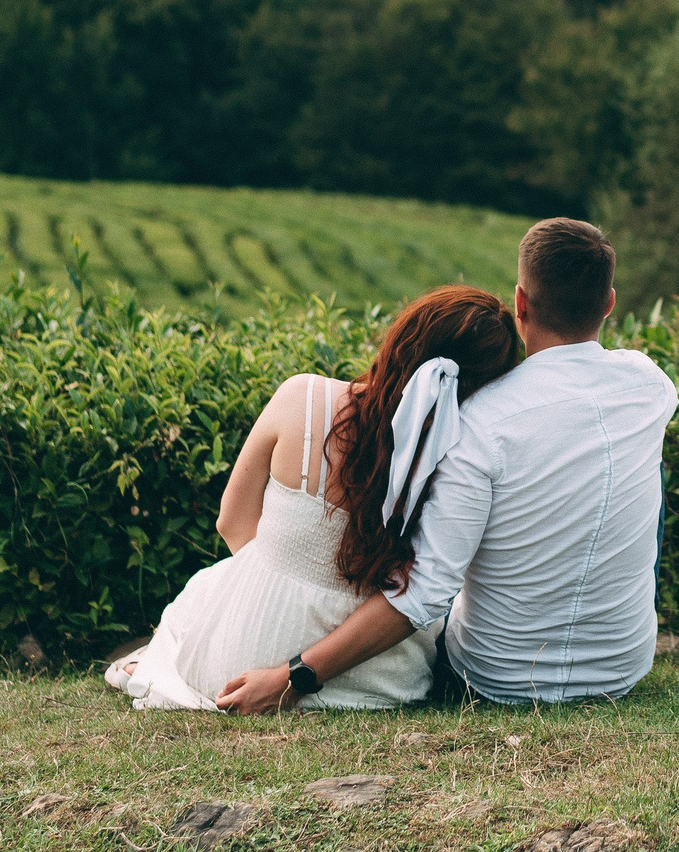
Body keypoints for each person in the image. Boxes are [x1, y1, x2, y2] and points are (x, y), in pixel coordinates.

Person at [202, 217, 677, 712]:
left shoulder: (479, 421)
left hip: (500, 679)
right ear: (608, 304)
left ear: (520, 303)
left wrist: (293, 678)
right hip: (623, 668)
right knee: (637, 466)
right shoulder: (652, 386)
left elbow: (425, 592)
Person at [105, 284, 521, 709]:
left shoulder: (301, 396)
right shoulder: (464, 457)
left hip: (238, 658)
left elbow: (231, 522)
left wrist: (284, 585)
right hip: (377, 676)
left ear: (401, 340)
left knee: (197, 606)